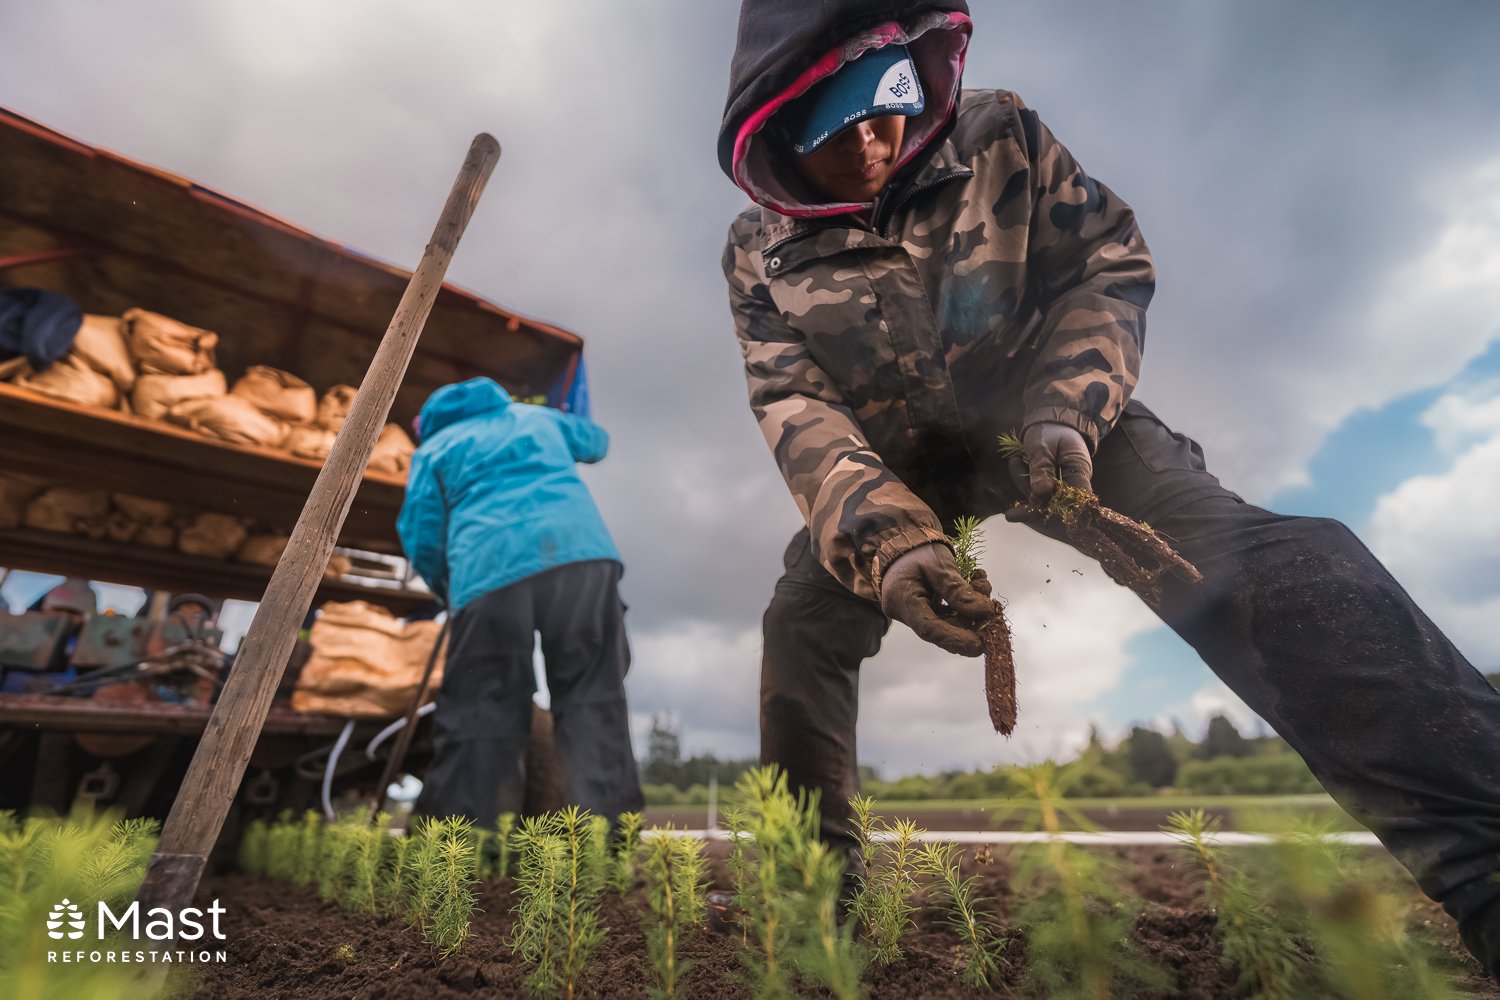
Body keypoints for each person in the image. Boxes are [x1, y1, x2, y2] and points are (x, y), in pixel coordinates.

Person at [716, 0, 1500, 978]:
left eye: (890, 98)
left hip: (1048, 415)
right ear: (780, 126)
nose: (875, 137)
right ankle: (813, 917)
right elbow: (796, 404)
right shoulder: (760, 249)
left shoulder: (996, 132)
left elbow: (1104, 259)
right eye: (837, 121)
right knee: (801, 627)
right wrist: (892, 542)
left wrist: (1064, 410)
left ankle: (1483, 845)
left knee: (1247, 560)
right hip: (894, 464)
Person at [396, 376, 644, 824]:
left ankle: (470, 845)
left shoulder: (433, 449)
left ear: (426, 424)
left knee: (482, 705)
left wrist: (449, 590)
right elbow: (596, 442)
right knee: (593, 695)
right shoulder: (532, 417)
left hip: (487, 572)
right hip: (580, 556)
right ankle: (604, 839)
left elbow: (422, 537)